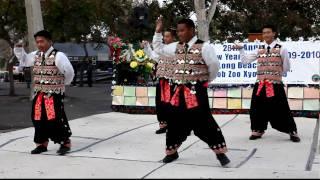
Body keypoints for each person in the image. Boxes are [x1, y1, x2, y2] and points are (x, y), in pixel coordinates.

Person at [153, 17, 230, 167]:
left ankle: (220, 153)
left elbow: (213, 66)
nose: (180, 33)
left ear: (191, 30)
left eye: (182, 30)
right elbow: (159, 49)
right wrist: (157, 32)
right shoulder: (176, 46)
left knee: (204, 121)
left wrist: (205, 81)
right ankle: (172, 152)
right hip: (177, 92)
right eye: (178, 31)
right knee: (174, 121)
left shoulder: (204, 47)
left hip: (196, 92)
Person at [233, 25, 300, 142]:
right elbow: (245, 61)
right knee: (257, 107)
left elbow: (286, 67)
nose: (266, 35)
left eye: (268, 32)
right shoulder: (259, 48)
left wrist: (275, 75)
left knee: (281, 108)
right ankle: (258, 129)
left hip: (275, 84)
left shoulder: (282, 48)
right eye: (264, 33)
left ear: (274, 34)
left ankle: (292, 131)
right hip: (260, 84)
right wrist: (241, 49)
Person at [15, 30, 75, 155]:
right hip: (39, 93)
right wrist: (19, 49)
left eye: (42, 41)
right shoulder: (36, 55)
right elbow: (24, 60)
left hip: (53, 94)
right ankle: (42, 143)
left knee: (53, 118)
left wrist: (62, 85)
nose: (39, 44)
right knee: (37, 117)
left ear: (49, 41)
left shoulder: (58, 56)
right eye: (37, 42)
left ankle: (64, 142)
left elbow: (69, 73)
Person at [142, 28, 176, 134]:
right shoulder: (161, 50)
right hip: (162, 81)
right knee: (161, 103)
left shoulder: (177, 48)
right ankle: (163, 125)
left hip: (174, 82)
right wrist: (147, 47)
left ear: (173, 37)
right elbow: (152, 55)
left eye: (167, 36)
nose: (165, 38)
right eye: (164, 36)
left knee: (174, 104)